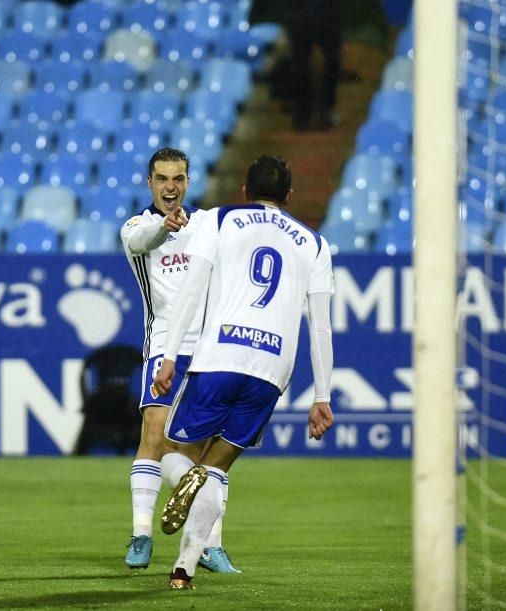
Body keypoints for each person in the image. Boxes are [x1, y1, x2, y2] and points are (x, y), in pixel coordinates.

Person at [151, 154, 335, 590]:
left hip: (220, 356)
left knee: (170, 453)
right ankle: (183, 572)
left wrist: (170, 355)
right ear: (289, 196)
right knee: (218, 468)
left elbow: (192, 290)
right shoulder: (314, 243)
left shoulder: (219, 219)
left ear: (245, 192)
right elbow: (322, 325)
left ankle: (186, 479)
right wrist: (322, 396)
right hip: (271, 370)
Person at [120, 147, 239, 574]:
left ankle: (209, 544)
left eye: (178, 179)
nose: (171, 187)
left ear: (188, 182)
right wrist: (164, 229)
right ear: (150, 182)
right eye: (162, 179)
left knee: (208, 450)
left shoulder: (207, 224)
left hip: (208, 349)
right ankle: (141, 534)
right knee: (154, 433)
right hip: (165, 345)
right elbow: (142, 241)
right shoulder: (137, 227)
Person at [285, 0, 343, 131]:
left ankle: (323, 110)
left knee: (332, 61)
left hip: (325, 14)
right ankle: (303, 115)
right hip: (302, 15)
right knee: (300, 67)